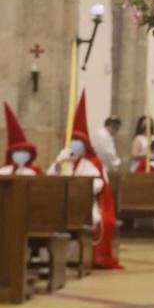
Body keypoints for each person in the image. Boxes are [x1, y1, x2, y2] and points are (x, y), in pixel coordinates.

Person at [50, 92, 122, 269]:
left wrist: (80, 189)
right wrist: (59, 163)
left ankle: (89, 256)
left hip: (84, 203)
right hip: (60, 203)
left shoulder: (92, 163)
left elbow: (98, 184)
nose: (75, 144)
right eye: (72, 140)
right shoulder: (64, 159)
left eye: (78, 141)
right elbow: (50, 178)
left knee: (97, 219)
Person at [1, 103, 43, 174]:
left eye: (24, 151)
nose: (21, 154)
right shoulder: (4, 171)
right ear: (11, 154)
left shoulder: (34, 172)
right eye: (18, 150)